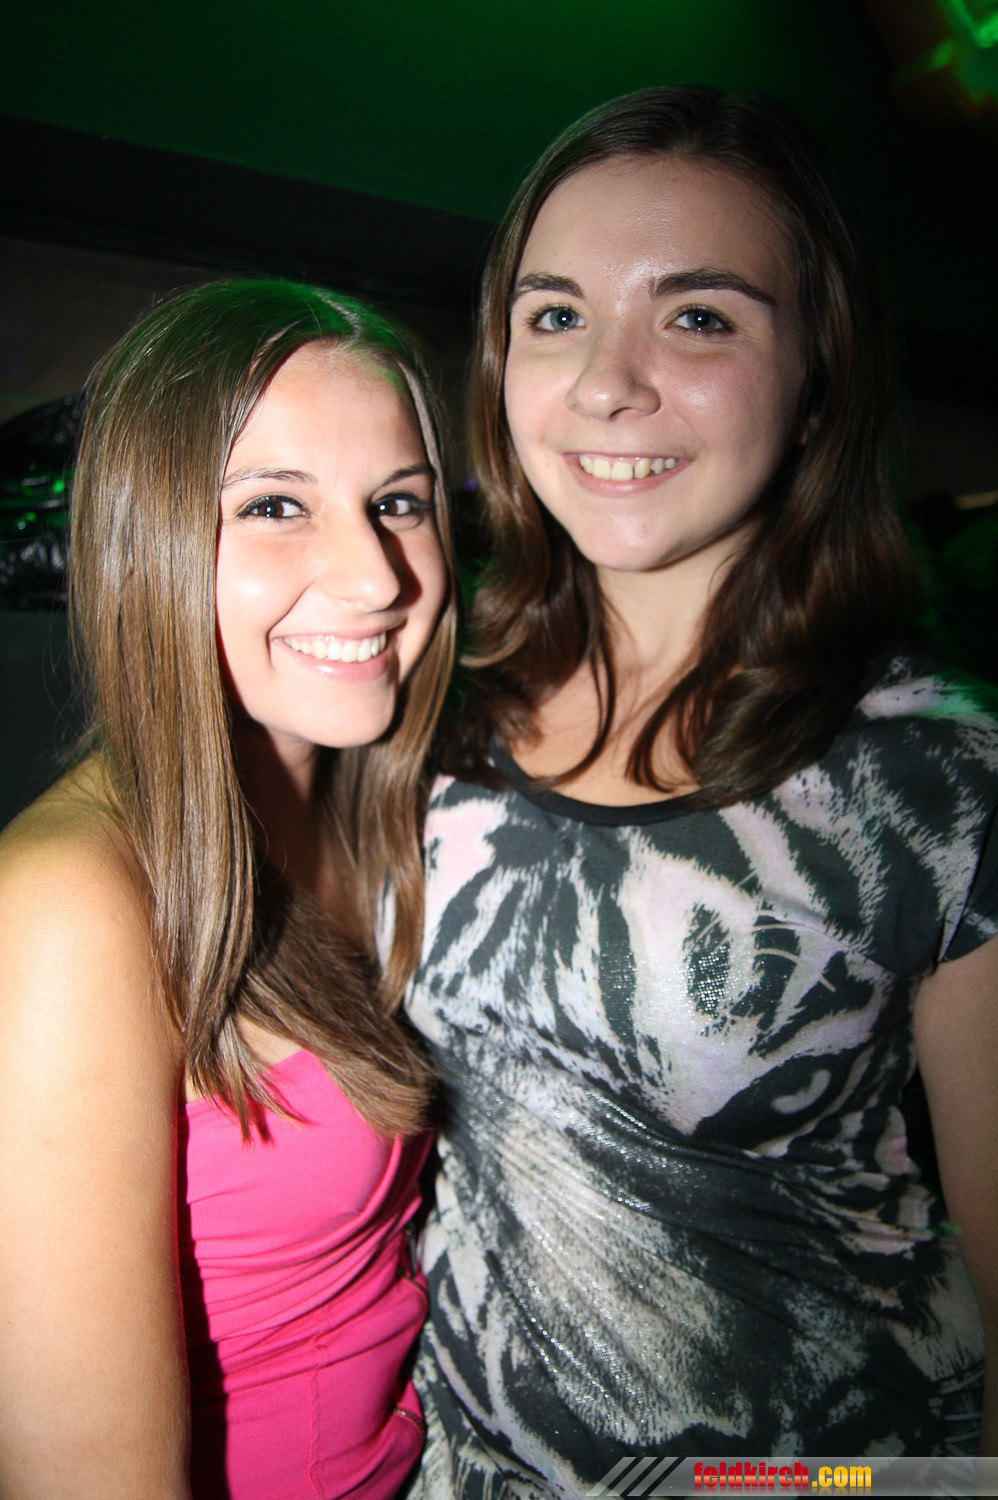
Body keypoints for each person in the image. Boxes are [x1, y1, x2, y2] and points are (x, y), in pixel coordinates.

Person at [404, 86, 998, 1493]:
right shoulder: (426, 706)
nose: (606, 384)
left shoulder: (935, 771)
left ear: (817, 378)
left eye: (698, 317)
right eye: (556, 315)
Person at [0, 279, 456, 1499]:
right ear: (141, 540)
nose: (373, 577)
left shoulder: (377, 814)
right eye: (272, 506)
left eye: (397, 503)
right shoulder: (67, 909)